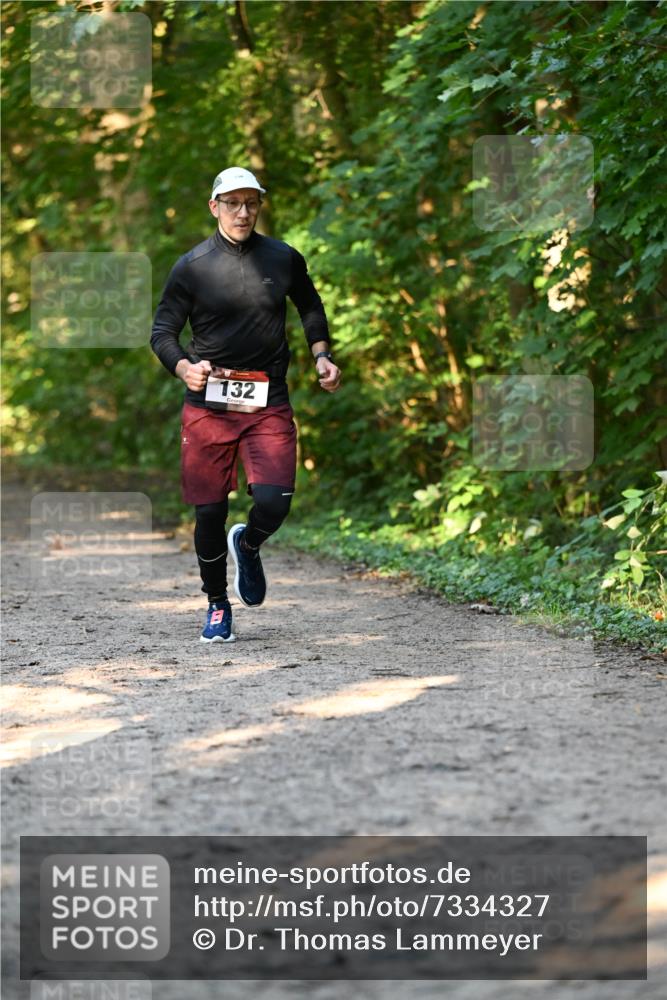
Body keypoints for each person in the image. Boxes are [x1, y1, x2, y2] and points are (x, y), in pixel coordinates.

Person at [151, 166, 341, 643]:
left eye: (250, 203)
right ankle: (217, 605)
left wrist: (322, 356)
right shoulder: (192, 266)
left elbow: (310, 306)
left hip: (267, 397)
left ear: (259, 207)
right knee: (210, 512)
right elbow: (163, 333)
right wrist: (183, 368)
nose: (242, 212)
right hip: (209, 401)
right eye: (232, 203)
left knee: (275, 502)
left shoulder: (283, 258)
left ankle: (250, 543)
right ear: (214, 207)